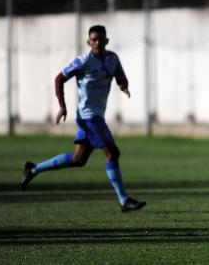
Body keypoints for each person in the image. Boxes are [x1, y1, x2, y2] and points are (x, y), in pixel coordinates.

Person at [21, 25, 146, 212]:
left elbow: (119, 75)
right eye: (93, 40)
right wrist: (62, 106)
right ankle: (124, 200)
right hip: (89, 118)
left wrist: (123, 85)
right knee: (112, 154)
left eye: (100, 39)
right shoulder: (83, 61)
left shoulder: (113, 59)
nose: (97, 43)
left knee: (78, 159)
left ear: (106, 41)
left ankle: (33, 169)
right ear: (88, 42)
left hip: (96, 117)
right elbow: (58, 79)